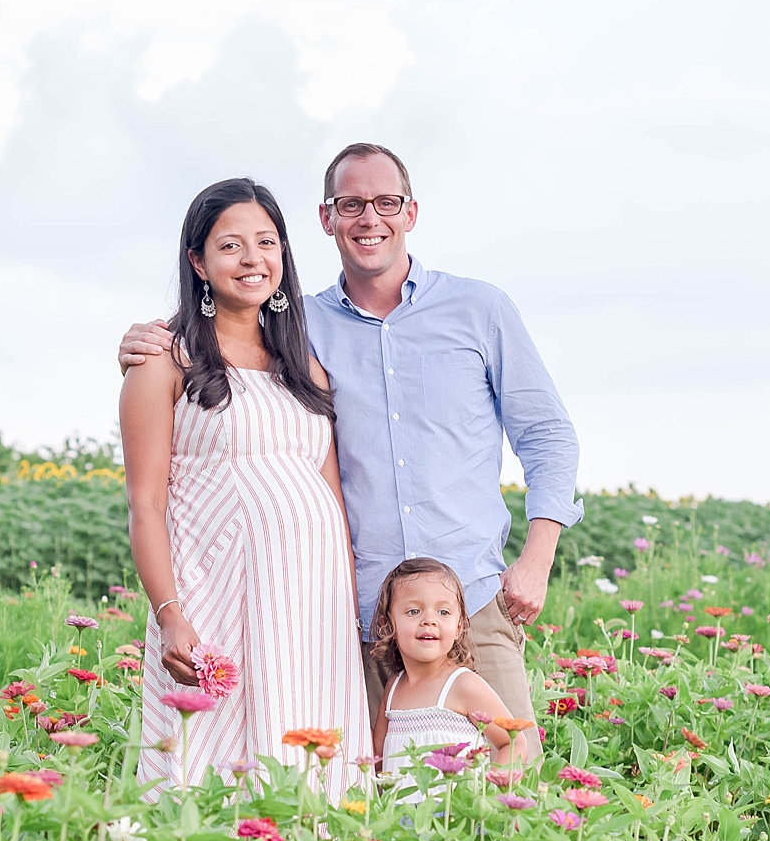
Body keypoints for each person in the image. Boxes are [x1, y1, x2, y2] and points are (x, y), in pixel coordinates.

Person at [120, 142, 580, 761]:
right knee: (370, 794)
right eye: (351, 204)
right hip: (356, 619)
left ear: (411, 211)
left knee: (509, 772)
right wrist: (139, 344)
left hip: (470, 600)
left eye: (386, 202)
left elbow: (547, 435)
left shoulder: (480, 310)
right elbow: (208, 355)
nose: (370, 219)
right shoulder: (294, 331)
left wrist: (537, 558)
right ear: (326, 218)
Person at [118, 177, 370, 800]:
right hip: (215, 599)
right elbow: (145, 505)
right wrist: (171, 616)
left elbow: (330, 496)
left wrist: (348, 598)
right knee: (212, 762)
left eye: (267, 242)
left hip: (313, 606)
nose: (253, 259)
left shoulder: (304, 366)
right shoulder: (162, 361)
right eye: (231, 246)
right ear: (198, 261)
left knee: (311, 753)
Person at [367, 558, 528, 792]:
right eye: (413, 611)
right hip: (401, 823)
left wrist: (485, 797)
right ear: (388, 624)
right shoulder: (394, 687)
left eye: (443, 612)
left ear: (460, 625)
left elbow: (514, 743)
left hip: (453, 822)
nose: (429, 620)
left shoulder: (463, 685)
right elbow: (379, 757)